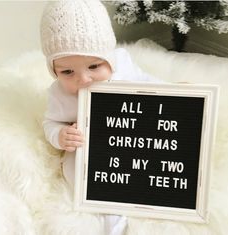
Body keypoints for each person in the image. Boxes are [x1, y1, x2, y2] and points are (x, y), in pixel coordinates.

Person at [40, 0, 165, 234]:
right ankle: (111, 220)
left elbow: (149, 83)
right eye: (67, 72)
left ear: (110, 58)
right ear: (54, 71)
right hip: (92, 148)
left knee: (153, 163)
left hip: (132, 136)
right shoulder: (59, 94)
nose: (84, 79)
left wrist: (176, 91)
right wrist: (60, 135)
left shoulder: (125, 66)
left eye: (95, 66)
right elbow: (50, 122)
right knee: (81, 176)